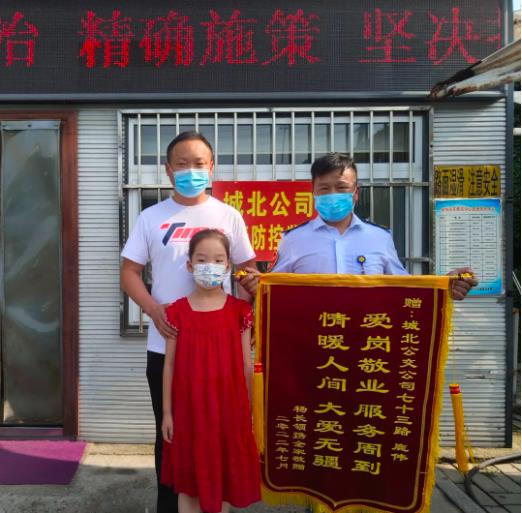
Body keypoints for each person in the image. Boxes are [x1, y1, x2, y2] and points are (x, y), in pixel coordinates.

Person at [120, 132, 256, 513]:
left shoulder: (228, 216)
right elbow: (129, 273)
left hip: (218, 351)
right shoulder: (151, 217)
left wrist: (242, 316)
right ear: (168, 170)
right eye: (182, 164)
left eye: (199, 164)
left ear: (212, 168)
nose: (191, 171)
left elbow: (248, 273)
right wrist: (153, 309)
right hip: (167, 346)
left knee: (218, 435)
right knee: (171, 437)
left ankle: (214, 501)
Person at [239, 152, 477, 299]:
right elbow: (274, 292)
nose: (333, 194)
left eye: (341, 187)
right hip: (312, 345)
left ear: (355, 193)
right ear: (313, 193)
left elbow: (404, 288)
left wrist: (443, 286)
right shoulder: (293, 239)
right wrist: (256, 285)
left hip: (366, 344)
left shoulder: (379, 238)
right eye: (324, 188)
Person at [161, 229, 261, 513]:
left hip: (229, 411)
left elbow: (246, 364)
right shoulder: (176, 312)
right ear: (189, 265)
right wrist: (167, 414)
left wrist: (251, 410)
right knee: (189, 483)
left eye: (218, 260)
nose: (210, 266)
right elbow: (169, 365)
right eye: (202, 259)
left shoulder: (240, 312)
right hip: (189, 412)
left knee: (223, 478)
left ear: (228, 266)